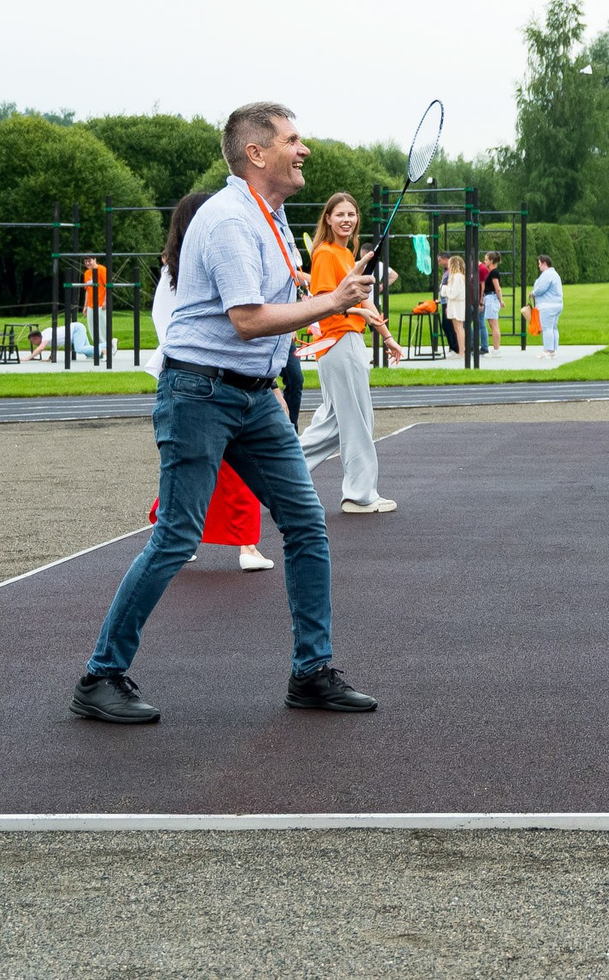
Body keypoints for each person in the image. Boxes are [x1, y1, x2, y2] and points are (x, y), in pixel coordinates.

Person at [71, 102, 380, 724]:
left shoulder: (275, 216)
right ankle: (100, 676)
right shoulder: (231, 219)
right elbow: (246, 320)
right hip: (199, 394)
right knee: (177, 536)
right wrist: (331, 302)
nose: (305, 149)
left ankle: (312, 673)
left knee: (306, 523)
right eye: (293, 139)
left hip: (254, 395)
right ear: (257, 153)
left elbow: (269, 312)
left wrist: (325, 298)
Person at [149, 191, 273, 572]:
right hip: (208, 379)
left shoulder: (186, 269)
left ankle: (186, 537)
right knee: (218, 468)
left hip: (191, 378)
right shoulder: (193, 269)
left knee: (195, 466)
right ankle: (241, 545)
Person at [297, 192, 404, 513]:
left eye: (352, 215)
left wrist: (386, 336)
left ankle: (276, 474)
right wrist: (359, 315)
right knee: (358, 419)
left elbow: (364, 300)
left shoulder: (347, 255)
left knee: (333, 423)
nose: (347, 219)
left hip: (347, 342)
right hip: (339, 341)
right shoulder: (326, 255)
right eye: (340, 214)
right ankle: (360, 495)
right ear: (327, 219)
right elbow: (325, 304)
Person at [531, 253, 563, 358]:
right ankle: (553, 349)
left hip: (547, 306)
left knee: (547, 328)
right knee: (553, 327)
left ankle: (547, 350)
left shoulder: (547, 274)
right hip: (557, 304)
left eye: (539, 263)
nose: (538, 266)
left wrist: (533, 293)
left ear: (545, 263)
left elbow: (541, 288)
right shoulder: (554, 274)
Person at [437, 252, 468, 359]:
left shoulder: (457, 277)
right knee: (457, 328)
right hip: (454, 304)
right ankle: (460, 350)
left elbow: (455, 293)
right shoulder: (456, 276)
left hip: (457, 305)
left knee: (459, 328)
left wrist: (445, 289)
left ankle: (462, 352)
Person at [478, 253, 503, 354]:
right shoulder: (490, 272)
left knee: (494, 325)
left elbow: (497, 288)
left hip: (492, 298)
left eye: (486, 260)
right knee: (492, 324)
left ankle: (496, 350)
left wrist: (500, 301)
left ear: (492, 261)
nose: (485, 261)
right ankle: (495, 349)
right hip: (489, 298)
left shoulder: (494, 273)